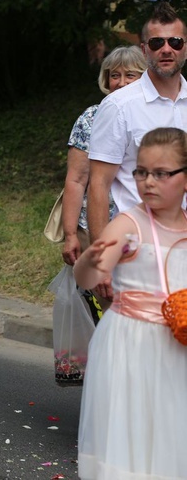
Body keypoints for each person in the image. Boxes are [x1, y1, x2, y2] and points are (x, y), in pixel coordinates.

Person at [73, 126, 187, 479]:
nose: (148, 182)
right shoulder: (128, 223)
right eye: (141, 172)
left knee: (168, 435)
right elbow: (88, 279)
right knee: (128, 434)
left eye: (161, 174)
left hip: (176, 347)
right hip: (130, 344)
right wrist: (91, 260)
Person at [87, 1, 187, 301]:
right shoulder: (119, 106)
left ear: (185, 48)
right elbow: (98, 186)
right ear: (144, 50)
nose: (166, 49)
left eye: (175, 42)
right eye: (157, 42)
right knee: (139, 342)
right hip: (137, 250)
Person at [62, 46, 147, 266]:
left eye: (130, 75)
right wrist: (70, 234)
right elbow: (76, 179)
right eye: (115, 75)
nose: (122, 82)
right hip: (95, 227)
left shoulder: (155, 115)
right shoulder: (91, 118)